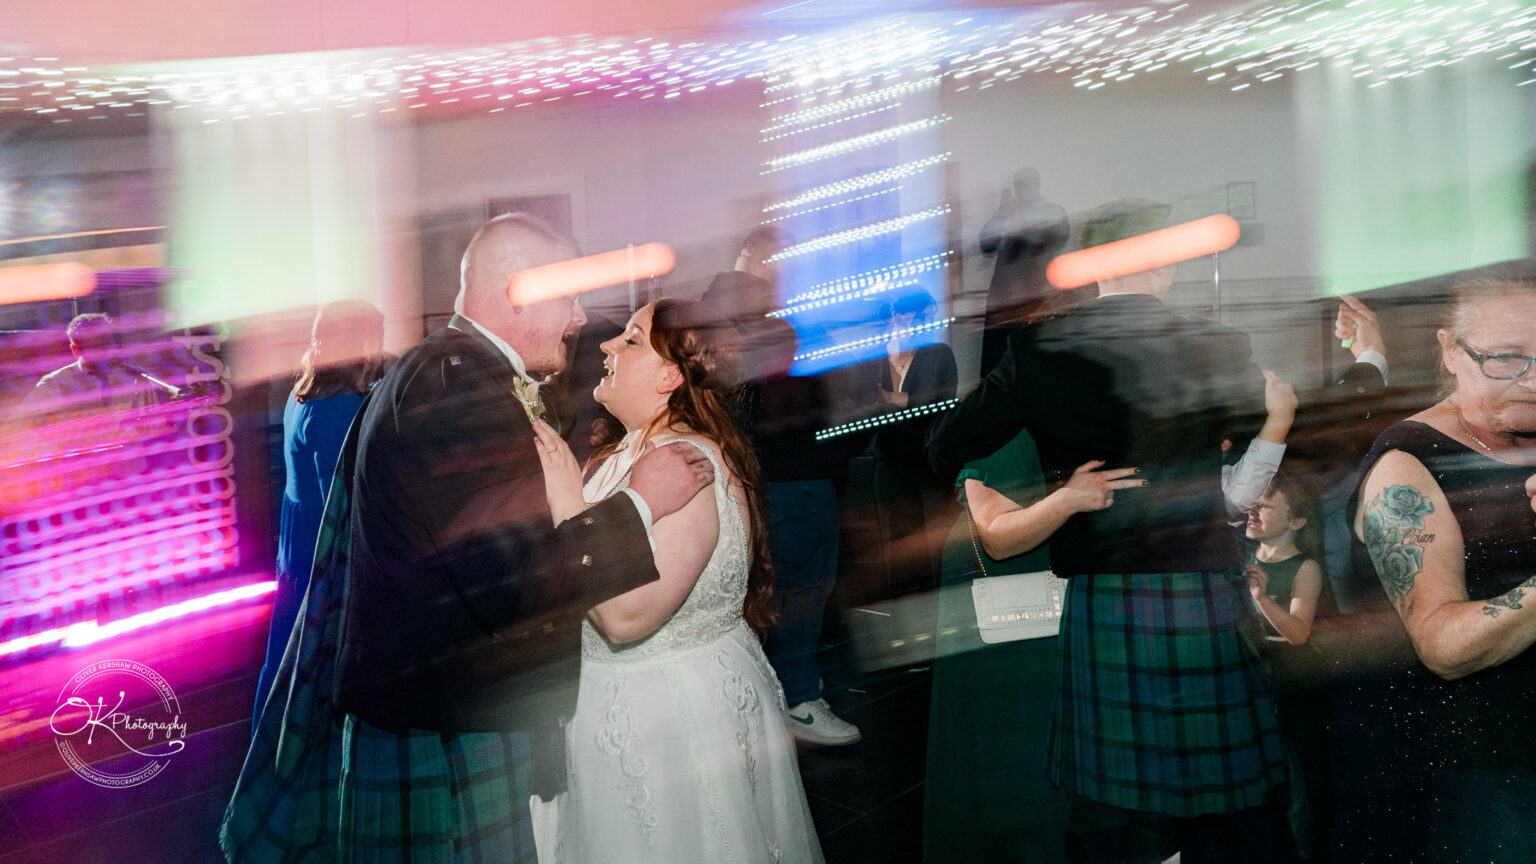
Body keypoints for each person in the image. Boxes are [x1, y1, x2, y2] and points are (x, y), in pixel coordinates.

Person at [220, 214, 714, 864]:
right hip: (444, 725)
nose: (576, 319)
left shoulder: (442, 370)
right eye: (566, 297)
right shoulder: (458, 393)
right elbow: (509, 583)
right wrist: (643, 500)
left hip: (434, 702)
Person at [927, 199, 1291, 863]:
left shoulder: (1037, 352)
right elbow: (1252, 444)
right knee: (1229, 804)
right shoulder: (1217, 345)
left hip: (1106, 594)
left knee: (1117, 809)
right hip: (1201, 587)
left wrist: (1035, 466)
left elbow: (947, 445)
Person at [529, 298, 823, 863]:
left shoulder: (687, 463)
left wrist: (567, 503)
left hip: (667, 724)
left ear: (671, 377)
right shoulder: (621, 454)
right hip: (621, 710)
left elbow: (625, 617)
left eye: (631, 339)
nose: (608, 346)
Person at [1342, 270, 1536, 863]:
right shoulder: (1407, 466)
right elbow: (1444, 644)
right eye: (1506, 359)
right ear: (1450, 350)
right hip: (1488, 769)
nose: (1533, 379)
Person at [702, 229, 863, 747]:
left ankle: (791, 695)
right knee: (769, 598)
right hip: (770, 482)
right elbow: (745, 405)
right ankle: (781, 700)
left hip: (797, 479)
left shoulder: (770, 320)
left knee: (798, 595)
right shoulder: (726, 316)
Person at [252, 299, 388, 726]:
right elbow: (342, 497)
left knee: (289, 649)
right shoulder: (343, 405)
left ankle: (272, 734)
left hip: (297, 538)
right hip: (320, 541)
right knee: (317, 650)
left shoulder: (302, 393)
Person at [871, 288, 957, 596]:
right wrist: (901, 400)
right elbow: (859, 405)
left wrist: (888, 398)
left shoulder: (938, 354)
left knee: (930, 553)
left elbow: (936, 403)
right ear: (897, 316)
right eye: (921, 317)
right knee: (895, 551)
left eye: (931, 318)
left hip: (928, 468)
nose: (927, 324)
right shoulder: (875, 356)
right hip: (888, 466)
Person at [977, 167, 1069, 376]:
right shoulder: (1005, 215)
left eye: (1027, 184)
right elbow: (985, 246)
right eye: (1019, 185)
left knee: (1034, 364)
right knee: (997, 365)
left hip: (1035, 303)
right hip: (1003, 305)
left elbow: (1052, 242)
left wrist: (1020, 221)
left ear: (1036, 186)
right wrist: (1001, 216)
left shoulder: (1052, 212)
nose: (1023, 190)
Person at [21, 312, 182, 427]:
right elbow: (22, 423)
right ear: (76, 350)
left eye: (107, 341)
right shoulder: (55, 383)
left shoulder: (135, 375)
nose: (105, 350)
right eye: (96, 345)